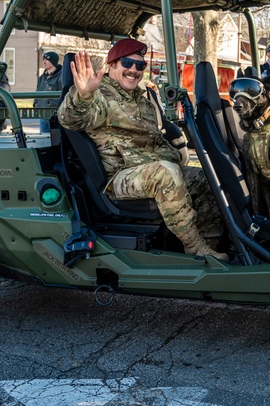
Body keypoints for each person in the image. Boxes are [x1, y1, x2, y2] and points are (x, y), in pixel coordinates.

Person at [57, 39, 227, 260]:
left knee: (207, 177)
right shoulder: (100, 96)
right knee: (165, 173)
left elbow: (154, 139)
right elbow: (70, 119)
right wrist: (83, 96)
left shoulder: (142, 100)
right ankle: (193, 246)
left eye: (140, 65)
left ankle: (209, 247)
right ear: (112, 65)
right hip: (121, 177)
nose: (134, 70)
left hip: (148, 171)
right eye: (128, 63)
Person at [35, 51, 63, 133]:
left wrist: (52, 104)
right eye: (43, 59)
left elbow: (63, 94)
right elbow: (37, 91)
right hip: (43, 113)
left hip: (55, 115)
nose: (44, 62)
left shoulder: (61, 77)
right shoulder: (42, 78)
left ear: (53, 61)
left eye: (47, 59)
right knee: (44, 138)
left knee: (56, 139)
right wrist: (36, 103)